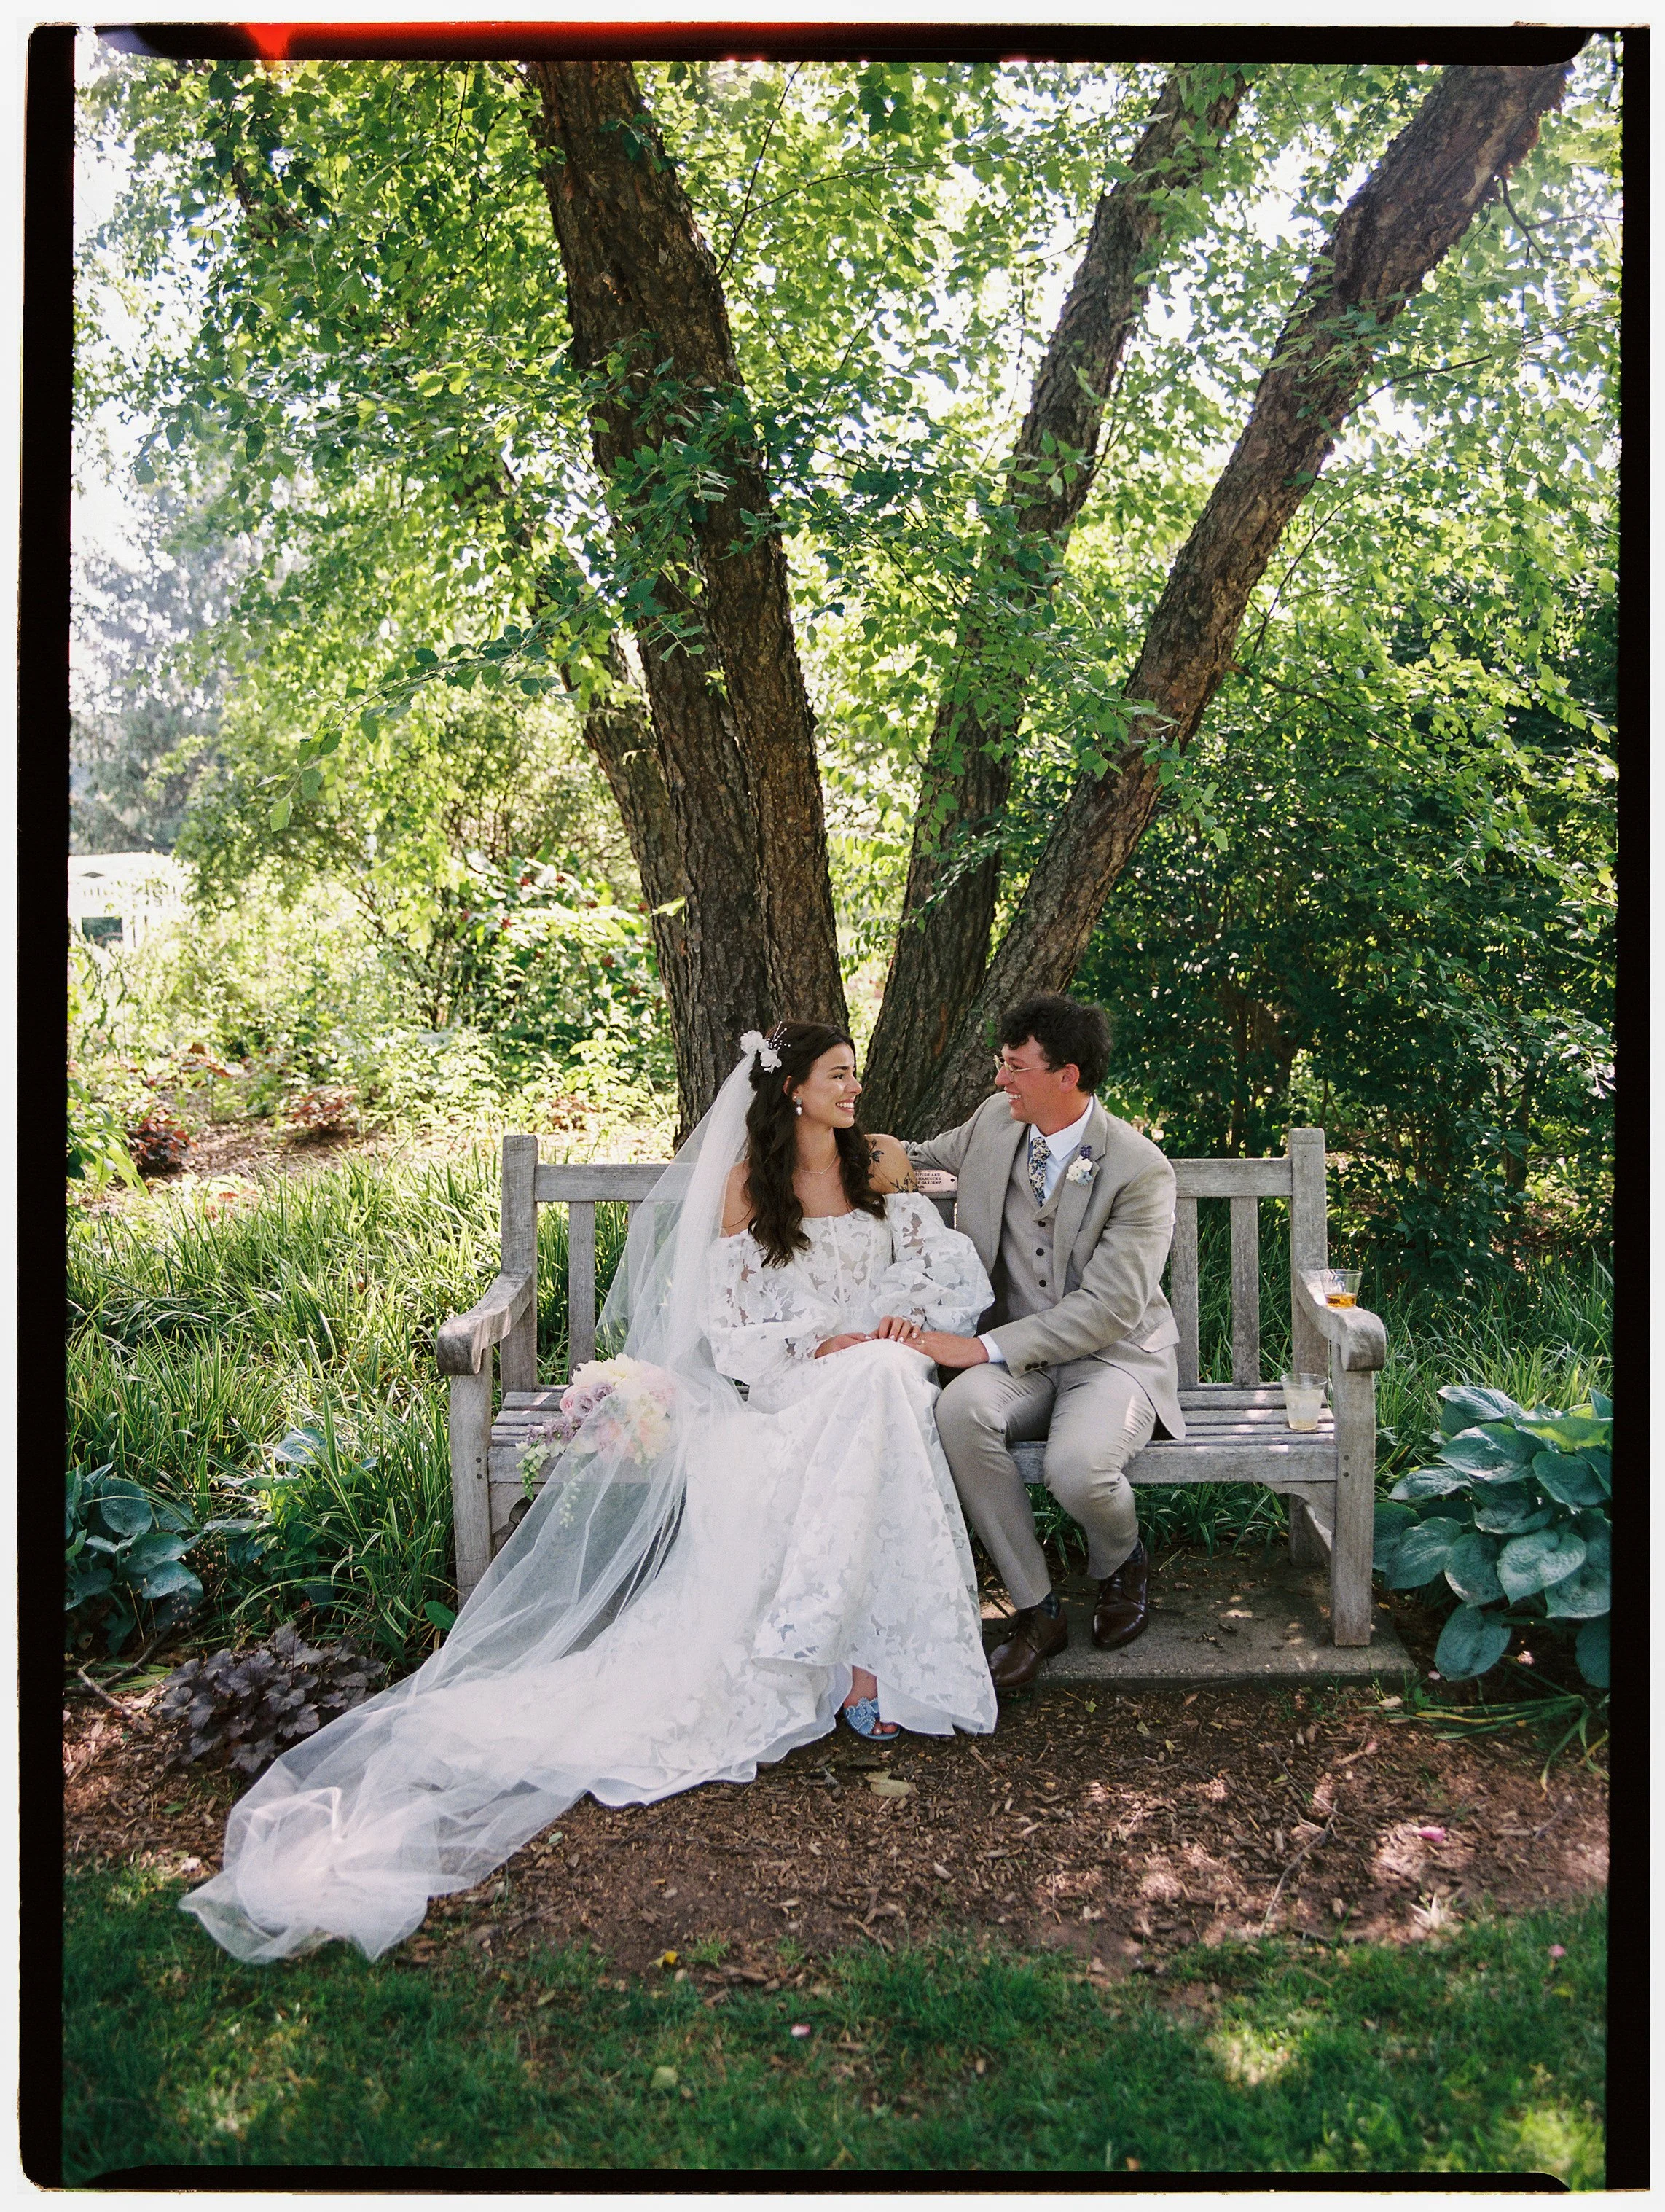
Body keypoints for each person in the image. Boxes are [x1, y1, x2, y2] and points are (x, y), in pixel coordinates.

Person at [181, 1021, 997, 1963]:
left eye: (857, 1072)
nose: (857, 1087)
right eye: (839, 1074)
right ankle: (855, 1658)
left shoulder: (878, 1169)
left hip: (870, 1377)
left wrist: (906, 1321)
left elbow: (939, 1270)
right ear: (792, 1092)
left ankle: (847, 1648)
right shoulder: (743, 1188)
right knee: (880, 1381)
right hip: (788, 1387)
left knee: (892, 1376)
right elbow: (730, 1330)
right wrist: (824, 1341)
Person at [906, 995, 1183, 1689]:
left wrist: (982, 1349)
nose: (1002, 1081)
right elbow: (909, 1158)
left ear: (1068, 1075)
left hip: (1110, 1358)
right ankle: (1037, 1607)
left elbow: (1113, 1307)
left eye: (1015, 1067)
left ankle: (1120, 1558)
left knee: (1078, 1468)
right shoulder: (993, 1124)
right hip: (1019, 1359)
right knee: (958, 1412)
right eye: (1002, 1064)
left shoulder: (1138, 1167)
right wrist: (811, 1138)